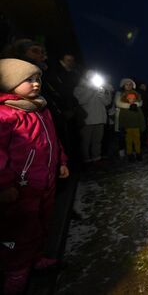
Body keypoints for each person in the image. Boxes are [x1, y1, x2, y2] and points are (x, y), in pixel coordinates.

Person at [0, 58, 70, 295]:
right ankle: (15, 272)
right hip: (21, 187)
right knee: (19, 230)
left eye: (37, 78)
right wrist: (4, 184)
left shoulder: (41, 108)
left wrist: (60, 161)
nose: (36, 84)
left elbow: (52, 139)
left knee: (41, 222)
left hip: (45, 181)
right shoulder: (6, 115)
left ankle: (36, 257)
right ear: (9, 83)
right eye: (27, 79)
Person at [73, 70, 113, 166]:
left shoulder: (102, 88)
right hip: (87, 120)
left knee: (97, 140)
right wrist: (91, 89)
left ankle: (96, 158)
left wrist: (101, 93)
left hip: (100, 118)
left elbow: (107, 102)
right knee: (85, 141)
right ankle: (86, 160)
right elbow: (81, 101)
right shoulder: (79, 88)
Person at [114, 78, 143, 158]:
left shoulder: (136, 93)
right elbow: (118, 103)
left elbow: (140, 102)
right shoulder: (119, 93)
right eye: (127, 84)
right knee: (123, 135)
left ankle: (135, 151)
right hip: (122, 116)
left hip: (134, 118)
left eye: (130, 84)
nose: (128, 86)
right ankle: (122, 151)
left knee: (134, 137)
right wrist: (130, 106)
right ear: (123, 85)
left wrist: (136, 105)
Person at [118, 90, 145, 162]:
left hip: (136, 128)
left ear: (135, 99)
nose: (132, 100)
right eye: (130, 99)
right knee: (128, 142)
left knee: (137, 142)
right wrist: (122, 127)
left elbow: (141, 118)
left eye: (133, 99)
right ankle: (130, 155)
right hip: (127, 129)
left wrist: (142, 127)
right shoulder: (123, 109)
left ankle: (138, 154)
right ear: (127, 99)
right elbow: (121, 119)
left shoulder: (137, 108)